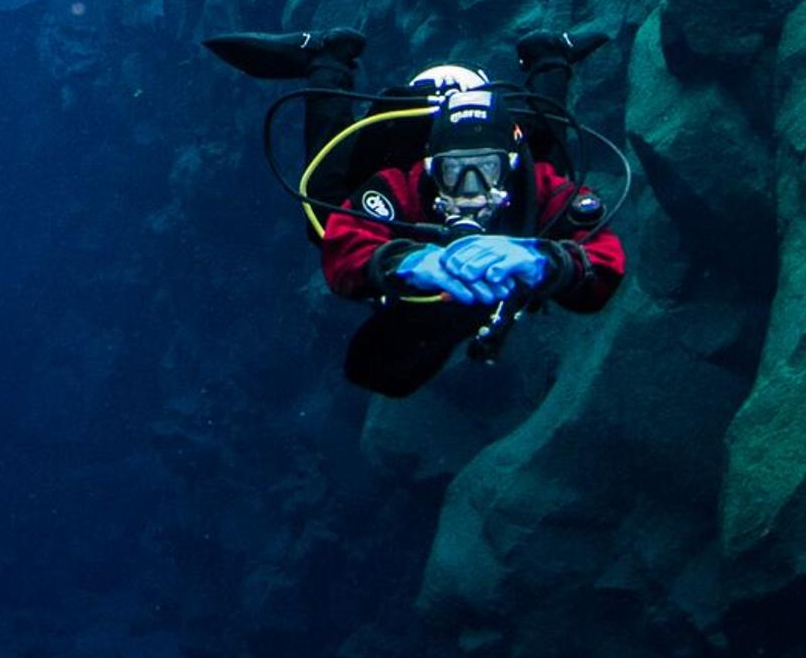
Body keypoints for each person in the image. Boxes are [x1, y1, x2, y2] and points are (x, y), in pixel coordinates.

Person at [207, 26, 624, 400]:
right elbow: (345, 243)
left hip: (507, 142)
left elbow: (602, 257)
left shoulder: (533, 178)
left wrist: (542, 261)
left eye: (488, 169)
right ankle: (328, 61)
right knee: (324, 205)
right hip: (432, 142)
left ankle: (547, 57)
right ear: (428, 168)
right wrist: (409, 261)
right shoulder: (396, 184)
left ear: (509, 164)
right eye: (453, 173)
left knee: (546, 156)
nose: (471, 190)